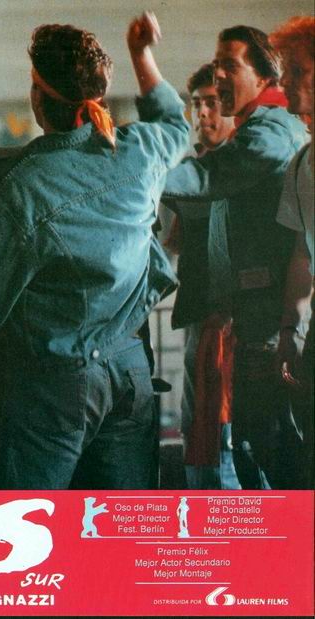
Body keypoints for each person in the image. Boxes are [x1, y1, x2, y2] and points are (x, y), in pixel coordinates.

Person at [0, 13, 190, 489]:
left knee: (30, 518)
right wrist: (142, 54)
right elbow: (176, 122)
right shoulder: (139, 150)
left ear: (39, 96)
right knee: (121, 522)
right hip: (131, 368)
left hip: (54, 385)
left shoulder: (17, 187)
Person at [163, 26, 308, 489]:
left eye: (231, 65)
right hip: (253, 325)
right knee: (255, 448)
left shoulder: (269, 134)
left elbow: (209, 177)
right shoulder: (253, 133)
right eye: (217, 65)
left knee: (272, 453)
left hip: (267, 330)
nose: (219, 75)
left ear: (265, 76)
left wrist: (136, 173)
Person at [162, 63, 239, 489]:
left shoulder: (247, 169)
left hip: (239, 325)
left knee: (230, 436)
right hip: (197, 317)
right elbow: (173, 240)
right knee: (198, 427)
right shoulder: (191, 170)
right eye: (197, 104)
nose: (203, 113)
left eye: (212, 102)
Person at [271, 16, 315, 489]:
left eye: (298, 71)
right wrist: (291, 330)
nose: (285, 81)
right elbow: (303, 252)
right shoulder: (301, 162)